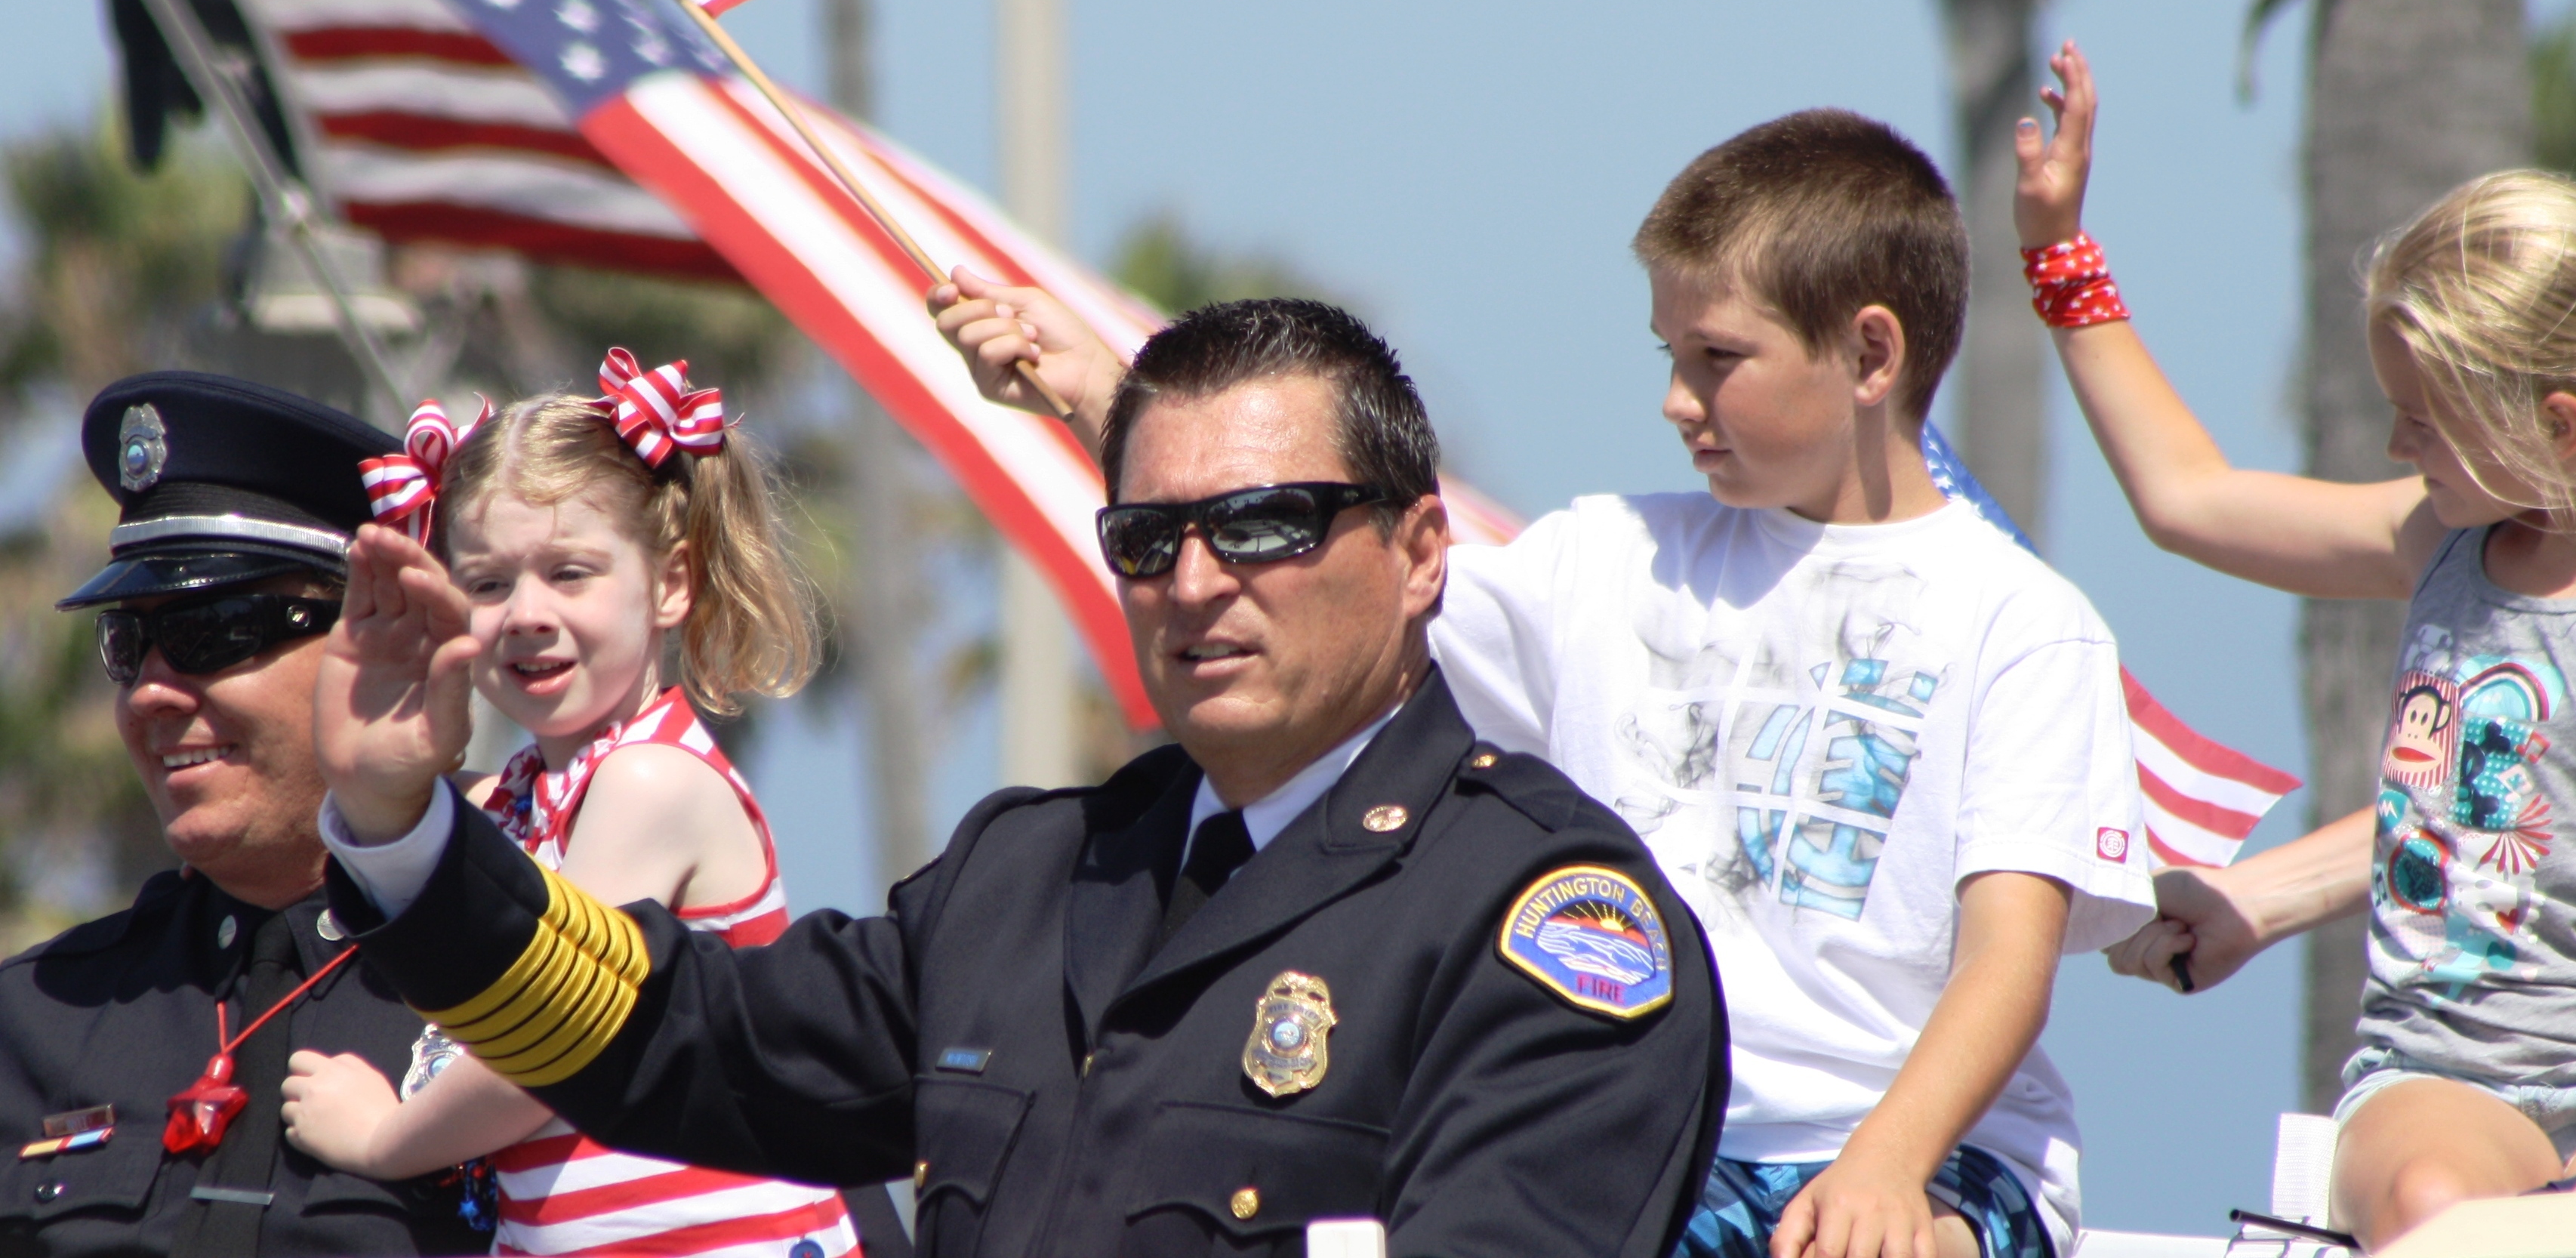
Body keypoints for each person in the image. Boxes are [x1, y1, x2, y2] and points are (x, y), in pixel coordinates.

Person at [932, 110, 2156, 1258]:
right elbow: (1338, 582)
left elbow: (2006, 960)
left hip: (1935, 1155)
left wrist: (1887, 1164)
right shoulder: (1601, 558)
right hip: (1632, 1119)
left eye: (1716, 358)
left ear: (1869, 352)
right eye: (1669, 354)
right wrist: (1103, 394)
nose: (1674, 399)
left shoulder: (2023, 623)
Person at [307, 301, 1730, 1256]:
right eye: (1146, 537)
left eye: (1264, 524)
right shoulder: (1028, 875)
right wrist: (402, 824)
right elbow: (685, 1034)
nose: (1193, 581)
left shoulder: (1540, 920)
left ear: (1420, 553)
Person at [2017, 42, 2576, 1246]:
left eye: (2423, 419)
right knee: (2437, 1209)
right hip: (2452, 1075)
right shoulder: (2438, 539)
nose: (2395, 448)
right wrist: (2060, 257)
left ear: (2558, 425)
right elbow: (2190, 498)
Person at [273, 355, 860, 1257]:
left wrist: (383, 1138)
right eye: (487, 583)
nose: (525, 614)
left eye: (570, 572)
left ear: (671, 583)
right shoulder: (514, 801)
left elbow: (551, 1039)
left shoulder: (649, 783)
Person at [0, 372, 487, 1257]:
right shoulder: (34, 1018)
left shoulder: (536, 982)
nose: (150, 691)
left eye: (212, 630)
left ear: (388, 641)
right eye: (128, 643)